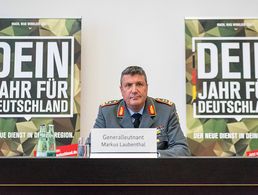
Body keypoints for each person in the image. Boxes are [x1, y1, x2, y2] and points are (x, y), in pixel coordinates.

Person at [93, 66, 191, 157]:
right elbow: (89, 149)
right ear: (121, 90)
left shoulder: (166, 111)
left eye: (139, 84)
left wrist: (153, 155)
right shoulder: (106, 113)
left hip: (154, 172)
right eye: (128, 85)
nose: (134, 90)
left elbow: (182, 149)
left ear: (146, 88)